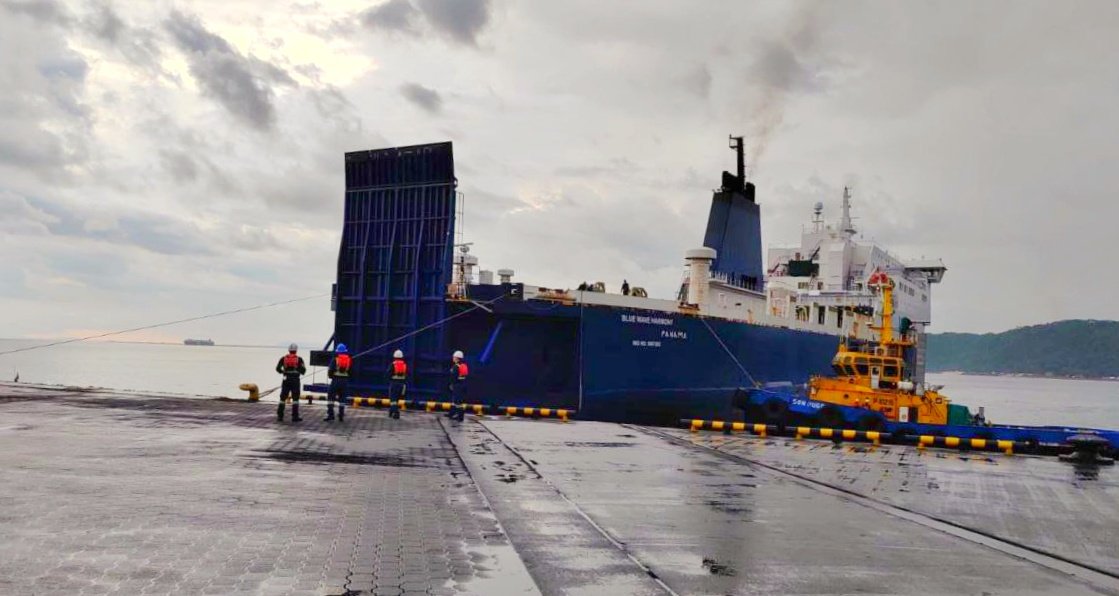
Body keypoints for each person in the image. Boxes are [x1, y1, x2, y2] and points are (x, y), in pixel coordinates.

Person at [275, 343, 306, 422]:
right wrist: (297, 370)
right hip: (295, 380)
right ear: (296, 351)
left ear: (289, 350)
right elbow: (303, 371)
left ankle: (280, 416)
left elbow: (278, 369)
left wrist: (283, 372)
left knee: (282, 398)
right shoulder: (299, 359)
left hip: (286, 379)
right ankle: (295, 417)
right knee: (295, 398)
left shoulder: (283, 358)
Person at [325, 343, 352, 422]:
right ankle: (341, 415)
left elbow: (330, 370)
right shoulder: (349, 360)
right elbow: (351, 371)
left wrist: (331, 376)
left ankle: (330, 415)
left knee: (330, 397)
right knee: (342, 399)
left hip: (335, 380)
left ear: (338, 351)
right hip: (344, 381)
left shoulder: (335, 359)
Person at [447, 350, 468, 422]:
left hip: (457, 385)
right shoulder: (464, 365)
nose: (453, 358)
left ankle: (460, 417)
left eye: (454, 357)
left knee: (457, 402)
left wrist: (451, 384)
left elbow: (453, 376)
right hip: (462, 384)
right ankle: (452, 413)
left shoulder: (456, 367)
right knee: (456, 401)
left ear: (457, 358)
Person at [388, 349, 406, 419]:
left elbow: (388, 373)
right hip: (402, 384)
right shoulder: (404, 365)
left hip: (394, 384)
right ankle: (391, 411)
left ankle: (396, 412)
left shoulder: (393, 364)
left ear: (394, 356)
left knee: (393, 400)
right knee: (396, 400)